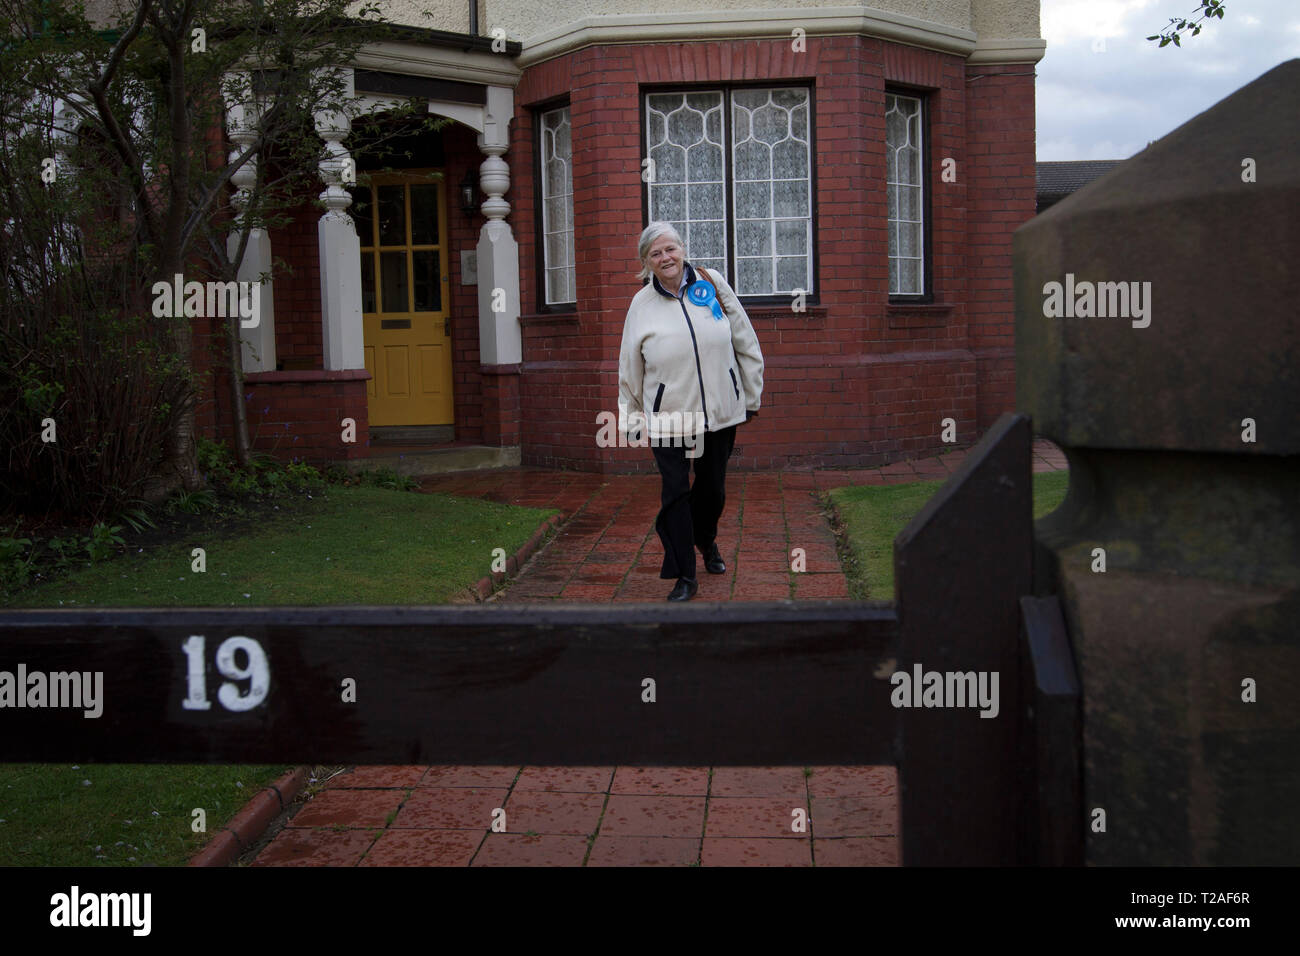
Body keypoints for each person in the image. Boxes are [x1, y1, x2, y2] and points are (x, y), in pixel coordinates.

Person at [618, 222, 765, 601]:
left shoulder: (710, 282)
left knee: (712, 488)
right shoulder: (641, 304)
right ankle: (685, 574)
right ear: (646, 262)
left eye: (670, 248)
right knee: (675, 493)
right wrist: (632, 415)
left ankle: (707, 541)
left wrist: (750, 393)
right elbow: (630, 365)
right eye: (656, 253)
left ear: (682, 249)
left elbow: (743, 337)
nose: (665, 257)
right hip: (669, 414)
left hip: (720, 409)